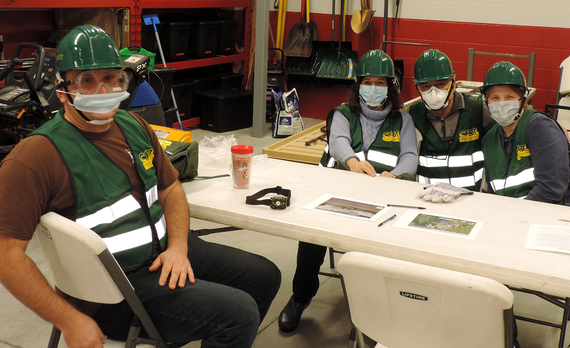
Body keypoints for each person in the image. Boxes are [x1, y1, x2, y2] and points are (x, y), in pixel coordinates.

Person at [0, 25, 280, 348]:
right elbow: (7, 256)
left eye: (111, 78)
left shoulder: (133, 125)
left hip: (163, 253)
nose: (103, 91)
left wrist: (178, 247)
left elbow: (171, 189)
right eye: (86, 81)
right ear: (62, 90)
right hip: (116, 291)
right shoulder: (36, 156)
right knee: (240, 314)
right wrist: (69, 319)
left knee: (266, 276)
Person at [278, 49, 418, 332]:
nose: (374, 88)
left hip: (381, 201)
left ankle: (372, 308)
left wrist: (397, 174)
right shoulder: (342, 113)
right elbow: (339, 141)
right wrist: (353, 161)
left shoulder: (403, 120)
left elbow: (410, 157)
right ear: (358, 84)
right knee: (311, 236)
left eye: (381, 83)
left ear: (390, 87)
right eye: (368, 81)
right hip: (334, 195)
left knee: (381, 247)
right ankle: (301, 296)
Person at [481, 61, 570, 204]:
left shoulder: (539, 127)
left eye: (509, 97)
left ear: (523, 99)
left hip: (545, 215)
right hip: (511, 216)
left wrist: (516, 213)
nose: (501, 103)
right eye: (495, 98)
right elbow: (493, 190)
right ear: (486, 102)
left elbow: (551, 188)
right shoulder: (490, 138)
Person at [409, 49, 495, 191]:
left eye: (440, 84)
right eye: (426, 86)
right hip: (429, 198)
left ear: (453, 83)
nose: (433, 91)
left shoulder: (476, 109)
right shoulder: (413, 114)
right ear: (417, 88)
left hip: (471, 199)